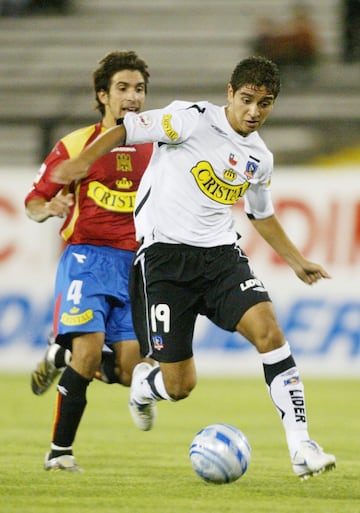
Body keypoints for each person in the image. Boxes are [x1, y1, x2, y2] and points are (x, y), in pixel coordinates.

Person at [51, 56, 336, 479]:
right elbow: (126, 129)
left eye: (265, 103)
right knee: (180, 385)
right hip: (163, 261)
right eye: (247, 99)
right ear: (229, 93)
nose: (254, 111)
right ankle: (146, 390)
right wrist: (83, 162)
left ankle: (301, 446)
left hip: (221, 257)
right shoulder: (190, 120)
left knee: (270, 333)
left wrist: (297, 261)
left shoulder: (260, 158)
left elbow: (260, 213)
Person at [25, 50, 154, 472]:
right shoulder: (77, 145)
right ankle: (59, 453)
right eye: (123, 88)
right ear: (103, 96)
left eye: (138, 89)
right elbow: (33, 201)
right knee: (89, 349)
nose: (132, 96)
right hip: (87, 258)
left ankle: (58, 357)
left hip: (134, 267)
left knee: (131, 369)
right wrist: (50, 207)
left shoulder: (156, 147)